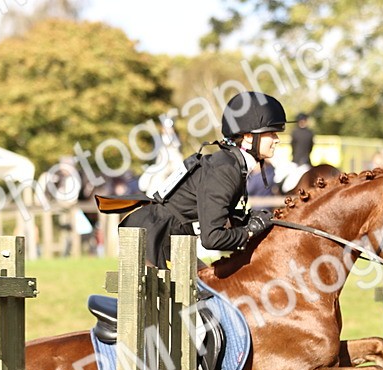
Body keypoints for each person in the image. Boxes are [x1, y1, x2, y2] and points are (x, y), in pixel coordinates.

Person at [96, 91, 285, 267]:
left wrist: (247, 220)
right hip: (154, 239)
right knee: (210, 289)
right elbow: (213, 238)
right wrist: (249, 231)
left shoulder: (232, 163)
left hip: (173, 238)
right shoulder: (225, 169)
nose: (277, 139)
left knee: (212, 285)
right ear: (249, 137)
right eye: (272, 133)